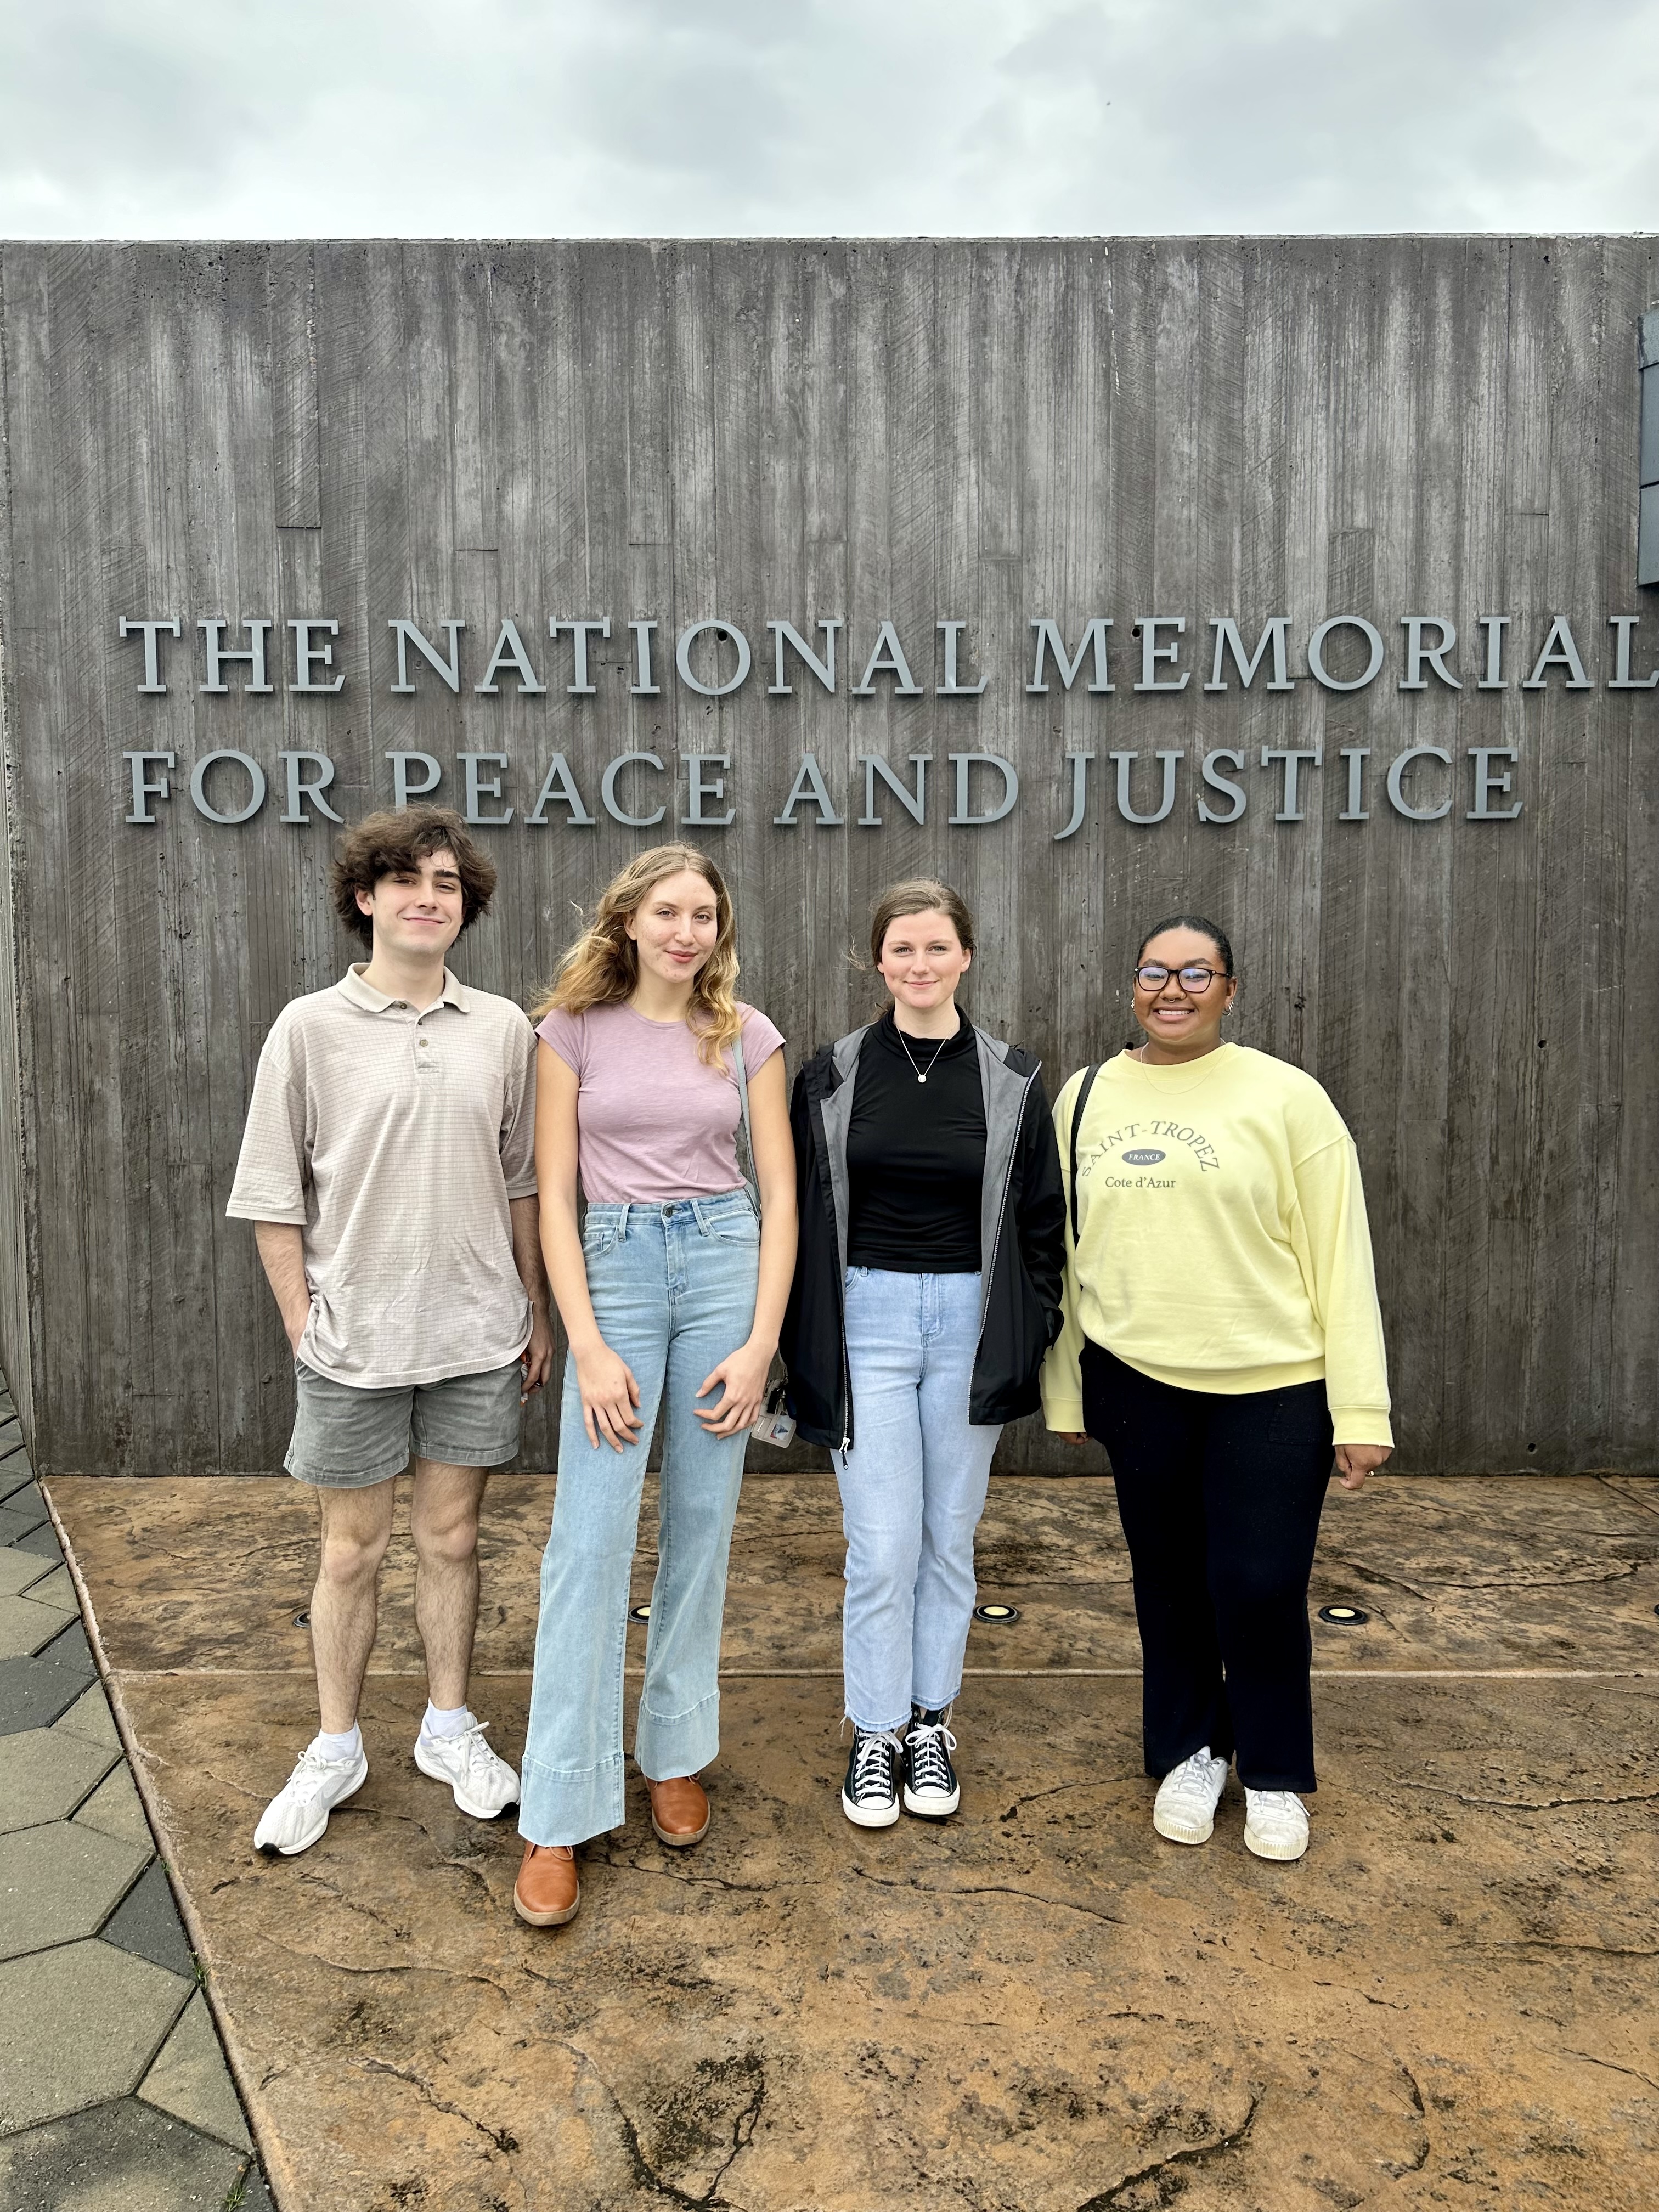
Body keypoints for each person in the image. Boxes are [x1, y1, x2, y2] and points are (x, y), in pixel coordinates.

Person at [229, 806, 554, 1859]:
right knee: (351, 1551)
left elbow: (524, 1184)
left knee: (453, 1539)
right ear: (365, 898)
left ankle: (449, 1729)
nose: (430, 896)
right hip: (353, 1343)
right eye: (408, 879)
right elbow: (275, 1194)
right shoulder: (307, 1028)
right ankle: (336, 1746)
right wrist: (302, 1322)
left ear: (467, 908)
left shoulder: (505, 1028)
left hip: (474, 1335)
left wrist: (533, 1305)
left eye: (449, 884)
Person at [1043, 915, 1392, 1864]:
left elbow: (1341, 1257)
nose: (1174, 990)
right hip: (1134, 1380)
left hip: (1275, 1383)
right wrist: (1066, 1390)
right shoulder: (1085, 1097)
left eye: (1198, 974)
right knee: (1168, 1583)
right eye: (1156, 972)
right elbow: (1068, 1256)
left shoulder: (1289, 1099)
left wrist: (1362, 1408)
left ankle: (1274, 1772)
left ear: (1230, 991)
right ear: (1132, 986)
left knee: (1260, 1582)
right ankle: (1191, 1751)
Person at [514, 844, 796, 1929]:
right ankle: (559, 1804)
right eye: (668, 913)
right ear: (628, 921)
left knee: (703, 1522)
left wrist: (761, 1339)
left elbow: (777, 1192)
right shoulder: (570, 1032)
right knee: (589, 1542)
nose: (687, 932)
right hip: (617, 1269)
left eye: (705, 916)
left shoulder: (745, 1033)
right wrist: (584, 1341)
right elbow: (553, 1197)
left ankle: (675, 1749)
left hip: (724, 1265)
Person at [782, 880, 1065, 1829]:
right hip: (869, 1318)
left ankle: (928, 1722)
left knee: (949, 1539)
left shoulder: (1015, 1079)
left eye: (937, 947)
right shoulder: (830, 1075)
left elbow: (1040, 1222)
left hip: (969, 1323)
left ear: (966, 957)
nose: (919, 964)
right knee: (883, 1542)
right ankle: (872, 1732)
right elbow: (800, 1217)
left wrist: (1034, 1324)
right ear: (878, 962)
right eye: (902, 949)